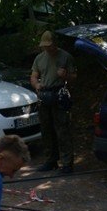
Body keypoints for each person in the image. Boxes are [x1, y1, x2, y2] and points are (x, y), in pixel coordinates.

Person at [30, 30, 76, 174]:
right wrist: (37, 85)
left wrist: (66, 75)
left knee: (62, 130)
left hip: (59, 94)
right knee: (46, 130)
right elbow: (33, 76)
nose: (47, 48)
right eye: (44, 46)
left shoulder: (66, 57)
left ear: (55, 44)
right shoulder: (39, 58)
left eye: (49, 45)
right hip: (44, 95)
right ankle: (51, 161)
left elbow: (74, 77)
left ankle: (67, 163)